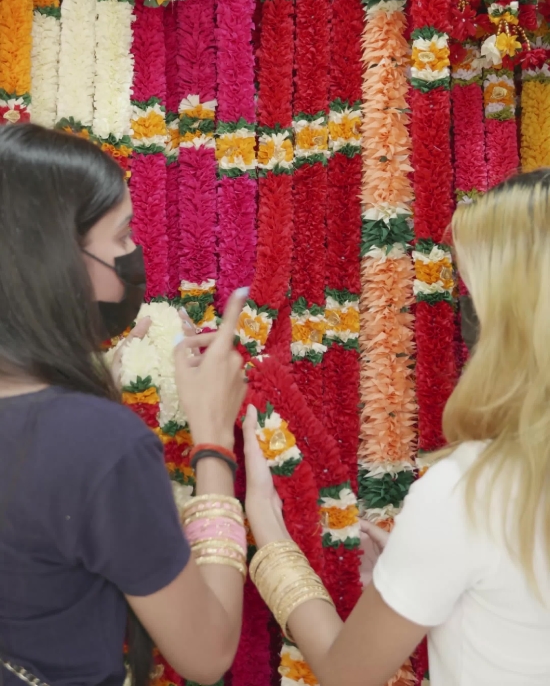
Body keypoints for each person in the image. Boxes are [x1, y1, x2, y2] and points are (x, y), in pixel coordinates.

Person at [243, 169, 550, 686]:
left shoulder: (469, 495)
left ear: (508, 319)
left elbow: (345, 673)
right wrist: (419, 562)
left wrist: (271, 539)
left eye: (470, 294)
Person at [0, 122, 249, 686]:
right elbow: (207, 653)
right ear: (57, 260)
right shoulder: (96, 445)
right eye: (123, 236)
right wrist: (213, 443)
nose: (134, 254)